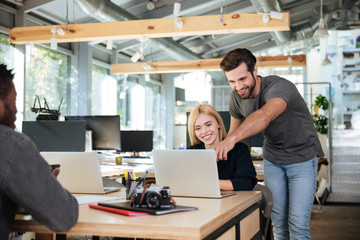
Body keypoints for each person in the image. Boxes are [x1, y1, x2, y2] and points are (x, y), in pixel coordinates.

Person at [215, 48, 324, 239]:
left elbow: (264, 116)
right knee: (278, 223)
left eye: (242, 79)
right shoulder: (236, 97)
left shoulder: (279, 88)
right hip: (273, 158)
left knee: (298, 224)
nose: (238, 86)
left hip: (302, 157)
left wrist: (231, 139)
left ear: (255, 71)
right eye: (231, 81)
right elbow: (235, 135)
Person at [0, 63, 78, 239]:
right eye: (13, 101)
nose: (16, 110)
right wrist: (44, 187)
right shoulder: (12, 145)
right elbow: (64, 216)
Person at [187, 104, 257, 191]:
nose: (204, 131)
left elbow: (247, 182)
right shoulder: (190, 153)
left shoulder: (239, 150)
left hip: (233, 201)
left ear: (218, 124)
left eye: (208, 125)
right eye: (198, 128)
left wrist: (210, 182)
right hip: (200, 202)